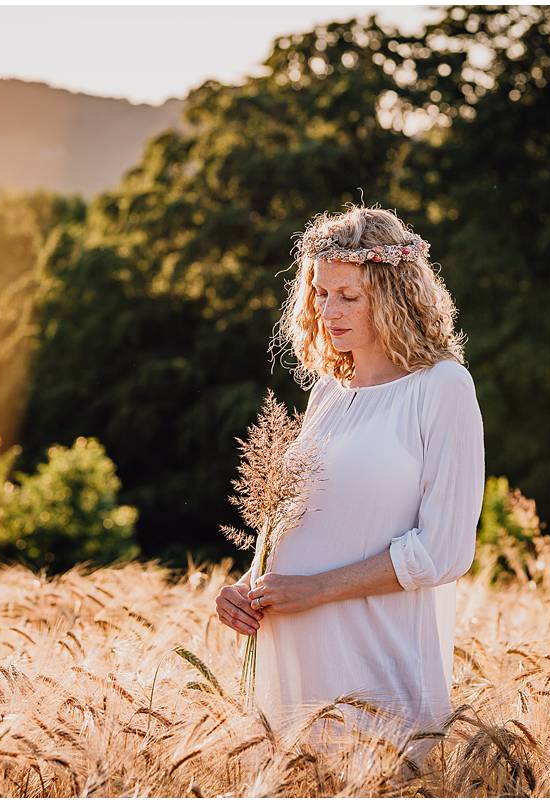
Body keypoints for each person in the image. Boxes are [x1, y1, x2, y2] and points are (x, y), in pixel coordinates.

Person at [214, 203, 485, 777]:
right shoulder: (328, 392)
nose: (328, 311)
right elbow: (299, 520)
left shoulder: (442, 387)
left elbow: (443, 551)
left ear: (393, 295)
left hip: (375, 662)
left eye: (349, 296)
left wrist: (314, 589)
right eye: (319, 293)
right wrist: (248, 585)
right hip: (290, 656)